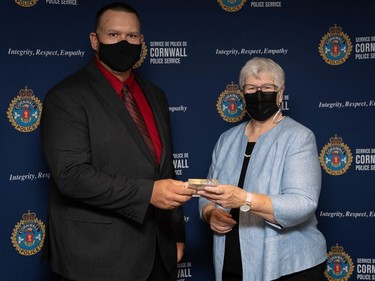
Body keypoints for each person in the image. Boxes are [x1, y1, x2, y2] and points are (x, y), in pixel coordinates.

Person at [40, 3, 195, 281]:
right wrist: (148, 193)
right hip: (96, 256)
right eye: (113, 35)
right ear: (94, 40)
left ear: (142, 41)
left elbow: (164, 170)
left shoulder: (155, 95)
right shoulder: (66, 97)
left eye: (132, 36)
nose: (124, 42)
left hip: (160, 253)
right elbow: (71, 176)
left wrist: (175, 234)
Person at [198, 57, 327, 281]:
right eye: (251, 88)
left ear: (280, 93)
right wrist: (210, 213)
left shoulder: (299, 137)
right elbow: (209, 191)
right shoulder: (226, 139)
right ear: (242, 93)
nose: (259, 94)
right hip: (233, 262)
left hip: (289, 266)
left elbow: (303, 203)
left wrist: (243, 199)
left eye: (267, 87)